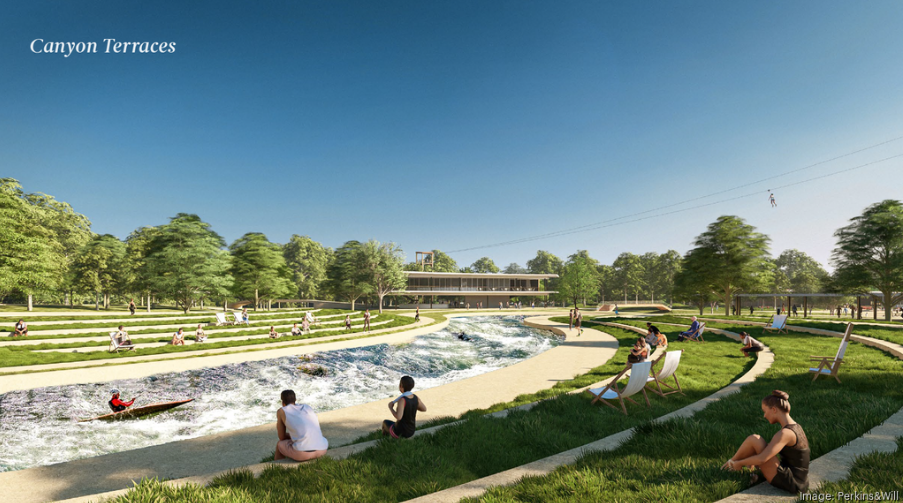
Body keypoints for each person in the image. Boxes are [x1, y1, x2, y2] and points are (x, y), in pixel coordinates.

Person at [722, 390, 809, 494]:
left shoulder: (785, 433)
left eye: (765, 411)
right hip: (799, 481)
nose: (764, 416)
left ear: (773, 410)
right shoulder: (796, 426)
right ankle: (733, 466)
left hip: (792, 483)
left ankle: (729, 466)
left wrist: (740, 463)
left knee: (754, 439)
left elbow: (762, 459)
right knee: (757, 442)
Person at [274, 389, 329, 462]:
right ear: (295, 400)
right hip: (322, 449)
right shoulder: (307, 407)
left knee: (280, 444)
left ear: (282, 402)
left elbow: (282, 437)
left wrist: (293, 436)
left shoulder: (281, 411)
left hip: (302, 454)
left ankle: (277, 466)